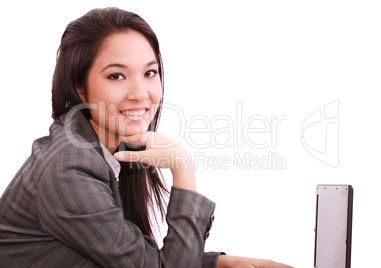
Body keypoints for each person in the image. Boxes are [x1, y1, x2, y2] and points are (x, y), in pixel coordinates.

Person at [0, 7, 293, 268]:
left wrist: (220, 263)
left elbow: (132, 255)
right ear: (80, 87)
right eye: (117, 76)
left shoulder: (105, 149)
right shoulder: (70, 168)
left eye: (150, 73)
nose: (140, 93)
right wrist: (183, 168)